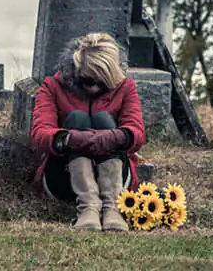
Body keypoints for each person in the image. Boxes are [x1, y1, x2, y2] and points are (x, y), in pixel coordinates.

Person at [30, 32, 147, 231]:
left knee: (103, 119)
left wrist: (112, 136)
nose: (93, 89)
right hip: (64, 177)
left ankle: (112, 207)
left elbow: (137, 132)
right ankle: (88, 207)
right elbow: (40, 133)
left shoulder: (126, 87)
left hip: (118, 182)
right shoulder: (52, 86)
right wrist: (70, 138)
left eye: (102, 83)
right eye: (87, 81)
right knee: (77, 118)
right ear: (76, 70)